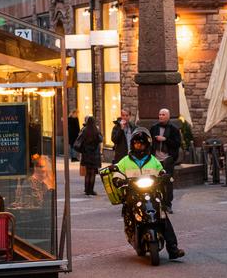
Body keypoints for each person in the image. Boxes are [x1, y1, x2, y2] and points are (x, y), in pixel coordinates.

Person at [115, 127, 185, 259]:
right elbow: (117, 170)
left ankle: (173, 249)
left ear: (147, 144)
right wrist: (117, 178)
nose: (138, 145)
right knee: (129, 210)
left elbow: (160, 170)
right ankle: (132, 231)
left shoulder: (152, 160)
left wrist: (164, 174)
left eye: (141, 143)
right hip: (133, 194)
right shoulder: (126, 160)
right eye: (136, 143)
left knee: (163, 216)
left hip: (151, 193)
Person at [150, 108, 182, 214]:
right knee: (154, 182)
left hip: (167, 160)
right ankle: (156, 204)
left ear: (168, 116)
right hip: (155, 160)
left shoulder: (174, 129)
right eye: (159, 114)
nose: (161, 116)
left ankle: (168, 204)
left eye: (163, 114)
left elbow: (177, 144)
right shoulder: (154, 128)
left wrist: (165, 140)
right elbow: (149, 142)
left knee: (168, 183)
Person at [77, 116, 103, 196]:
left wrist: (82, 150)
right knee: (93, 173)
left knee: (87, 173)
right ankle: (91, 190)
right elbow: (100, 139)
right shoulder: (96, 130)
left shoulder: (84, 130)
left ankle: (86, 190)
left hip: (86, 155)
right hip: (94, 155)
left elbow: (78, 142)